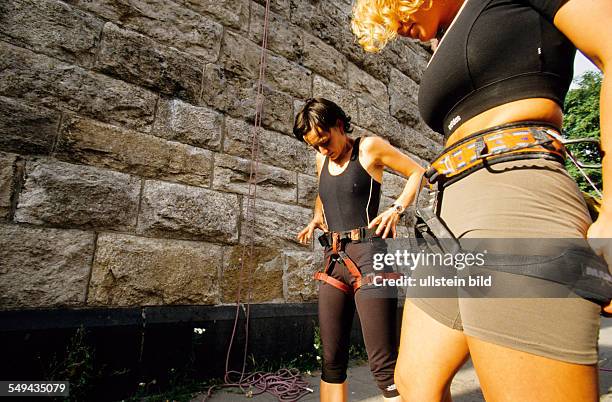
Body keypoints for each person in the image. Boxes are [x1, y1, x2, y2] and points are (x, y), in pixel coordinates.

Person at [351, 0, 612, 401]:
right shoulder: (452, 32)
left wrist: (611, 212)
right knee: (414, 384)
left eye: (395, 11)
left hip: (513, 196)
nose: (396, 28)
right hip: (448, 217)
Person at [294, 98, 425, 402]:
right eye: (315, 147)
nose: (322, 151)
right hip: (334, 260)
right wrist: (317, 215)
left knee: (383, 366)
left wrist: (397, 208)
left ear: (339, 125)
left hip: (371, 259)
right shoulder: (321, 159)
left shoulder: (369, 148)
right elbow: (323, 192)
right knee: (331, 362)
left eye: (325, 141)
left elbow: (418, 173)